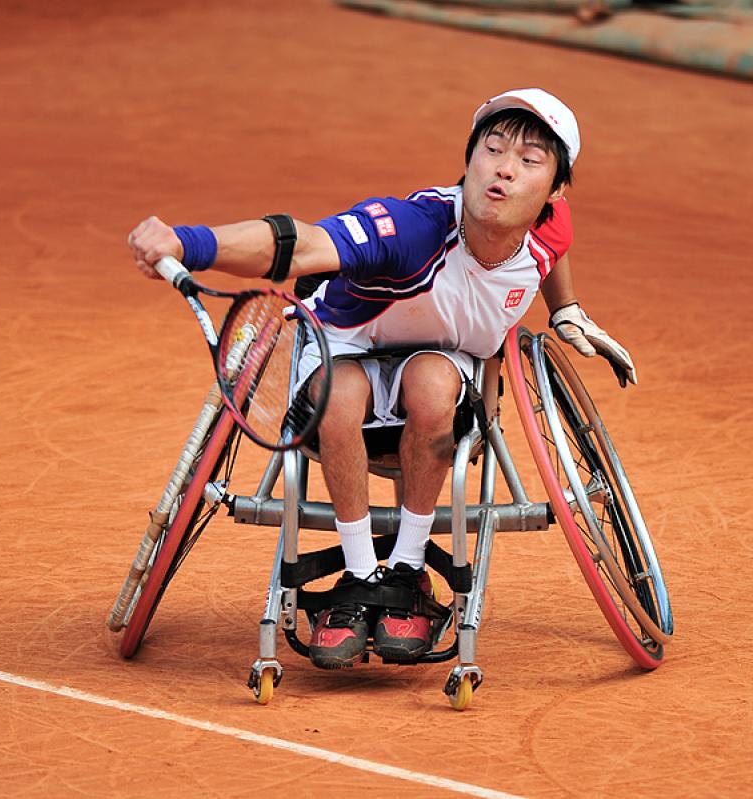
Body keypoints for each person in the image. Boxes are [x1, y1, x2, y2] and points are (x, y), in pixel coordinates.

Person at [127, 88, 636, 669]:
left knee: (432, 383)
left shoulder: (548, 226)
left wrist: (566, 308)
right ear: (467, 160)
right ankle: (362, 573)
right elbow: (301, 243)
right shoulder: (409, 229)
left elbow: (555, 248)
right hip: (346, 348)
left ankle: (408, 568)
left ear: (553, 191)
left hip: (441, 366)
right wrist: (189, 243)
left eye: (529, 162)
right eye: (491, 149)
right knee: (341, 395)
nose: (504, 169)